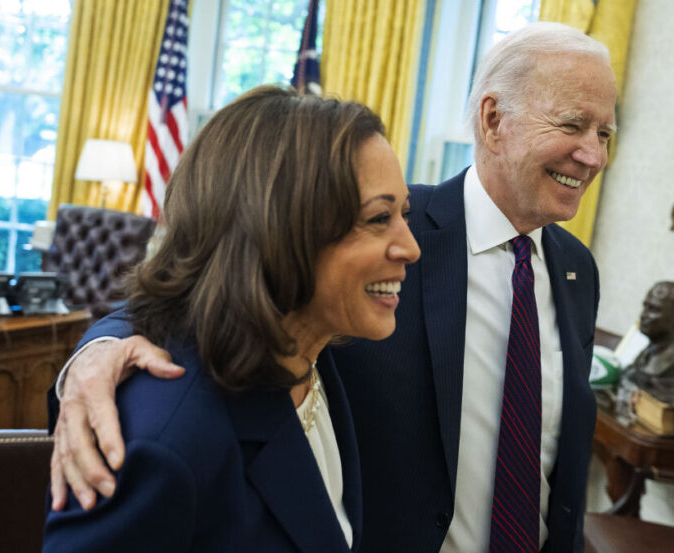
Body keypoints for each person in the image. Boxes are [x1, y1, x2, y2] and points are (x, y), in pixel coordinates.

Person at [50, 22, 615, 553]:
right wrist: (97, 354)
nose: (593, 155)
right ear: (493, 120)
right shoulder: (380, 242)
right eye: (571, 125)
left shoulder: (576, 270)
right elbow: (210, 287)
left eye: (605, 133)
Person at [42, 86, 421, 552]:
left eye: (404, 214)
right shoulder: (164, 447)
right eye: (379, 218)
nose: (411, 247)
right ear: (279, 227)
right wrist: (96, 350)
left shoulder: (322, 346)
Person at [621, 281, 674, 389]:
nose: (643, 315)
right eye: (645, 307)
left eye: (654, 309)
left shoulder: (673, 364)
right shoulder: (648, 352)